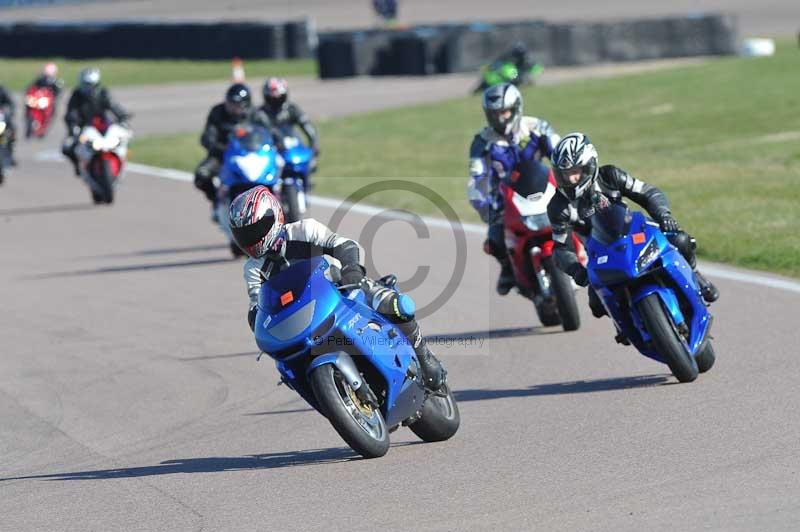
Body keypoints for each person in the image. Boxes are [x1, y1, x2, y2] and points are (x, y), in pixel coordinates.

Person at [229, 185, 445, 391]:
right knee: (286, 367)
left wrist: (351, 270)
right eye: (245, 235)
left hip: (342, 290)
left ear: (274, 216)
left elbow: (343, 244)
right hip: (301, 320)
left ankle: (425, 360)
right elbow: (256, 304)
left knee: (397, 306)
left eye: (256, 229)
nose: (252, 239)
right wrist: (259, 324)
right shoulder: (253, 268)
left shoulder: (305, 229)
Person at [546, 132, 720, 323]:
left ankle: (695, 275)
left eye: (575, 171)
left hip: (637, 233)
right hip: (600, 255)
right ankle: (628, 327)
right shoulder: (558, 206)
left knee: (681, 240)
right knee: (596, 305)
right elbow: (561, 249)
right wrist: (577, 271)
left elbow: (648, 192)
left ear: (590, 165)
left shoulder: (610, 175)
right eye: (564, 174)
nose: (570, 179)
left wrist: (663, 215)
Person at [467, 83, 560, 294]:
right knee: (495, 239)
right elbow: (477, 177)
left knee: (580, 218)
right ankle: (508, 268)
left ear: (517, 107)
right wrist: (482, 203)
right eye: (494, 114)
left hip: (542, 187)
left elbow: (560, 153)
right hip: (505, 197)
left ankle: (592, 255)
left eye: (505, 112)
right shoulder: (482, 142)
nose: (500, 118)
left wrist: (570, 178)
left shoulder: (538, 127)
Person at [194, 82, 271, 211]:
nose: (231, 107)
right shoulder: (217, 112)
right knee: (202, 175)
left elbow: (270, 133)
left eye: (236, 105)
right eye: (230, 103)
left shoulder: (257, 114)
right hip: (223, 154)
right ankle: (216, 201)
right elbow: (208, 135)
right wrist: (216, 146)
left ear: (245, 105)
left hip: (252, 155)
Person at [62, 67, 130, 175]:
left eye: (92, 84)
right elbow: (71, 113)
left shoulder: (102, 93)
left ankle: (120, 164)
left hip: (103, 125)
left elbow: (113, 105)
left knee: (123, 139)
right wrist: (73, 126)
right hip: (83, 126)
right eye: (86, 84)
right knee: (67, 147)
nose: (89, 88)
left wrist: (123, 117)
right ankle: (78, 166)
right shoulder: (76, 95)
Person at [260, 78, 318, 154]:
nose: (276, 101)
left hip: (292, 149)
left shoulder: (292, 109)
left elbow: (308, 127)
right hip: (268, 150)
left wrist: (313, 147)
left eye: (279, 97)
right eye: (272, 98)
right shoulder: (260, 113)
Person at [0, 84, 17, 164]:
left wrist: (11, 112)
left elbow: (11, 102)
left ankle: (10, 154)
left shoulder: (2, 90)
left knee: (12, 130)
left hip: (1, 117)